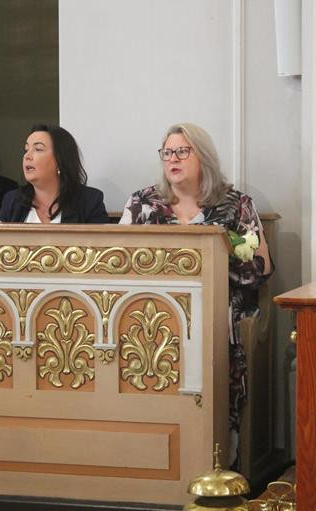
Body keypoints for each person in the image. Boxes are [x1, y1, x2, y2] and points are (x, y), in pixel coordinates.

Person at [119, 122, 273, 464]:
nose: (172, 159)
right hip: (154, 317)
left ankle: (217, 459)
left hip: (217, 314)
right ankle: (155, 458)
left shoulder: (236, 205)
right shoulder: (142, 203)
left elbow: (262, 267)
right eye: (167, 152)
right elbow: (118, 263)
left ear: (203, 157)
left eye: (182, 151)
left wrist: (216, 260)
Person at [0, 124, 109, 224]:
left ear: (60, 159)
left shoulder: (89, 201)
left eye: (38, 149)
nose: (27, 156)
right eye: (26, 150)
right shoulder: (12, 200)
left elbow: (99, 240)